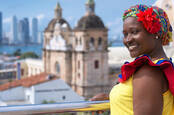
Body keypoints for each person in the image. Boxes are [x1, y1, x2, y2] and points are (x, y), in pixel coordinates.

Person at [90, 4, 174, 115]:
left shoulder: (148, 73)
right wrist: (112, 97)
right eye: (125, 34)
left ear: (156, 32)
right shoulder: (161, 66)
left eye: (134, 32)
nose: (127, 40)